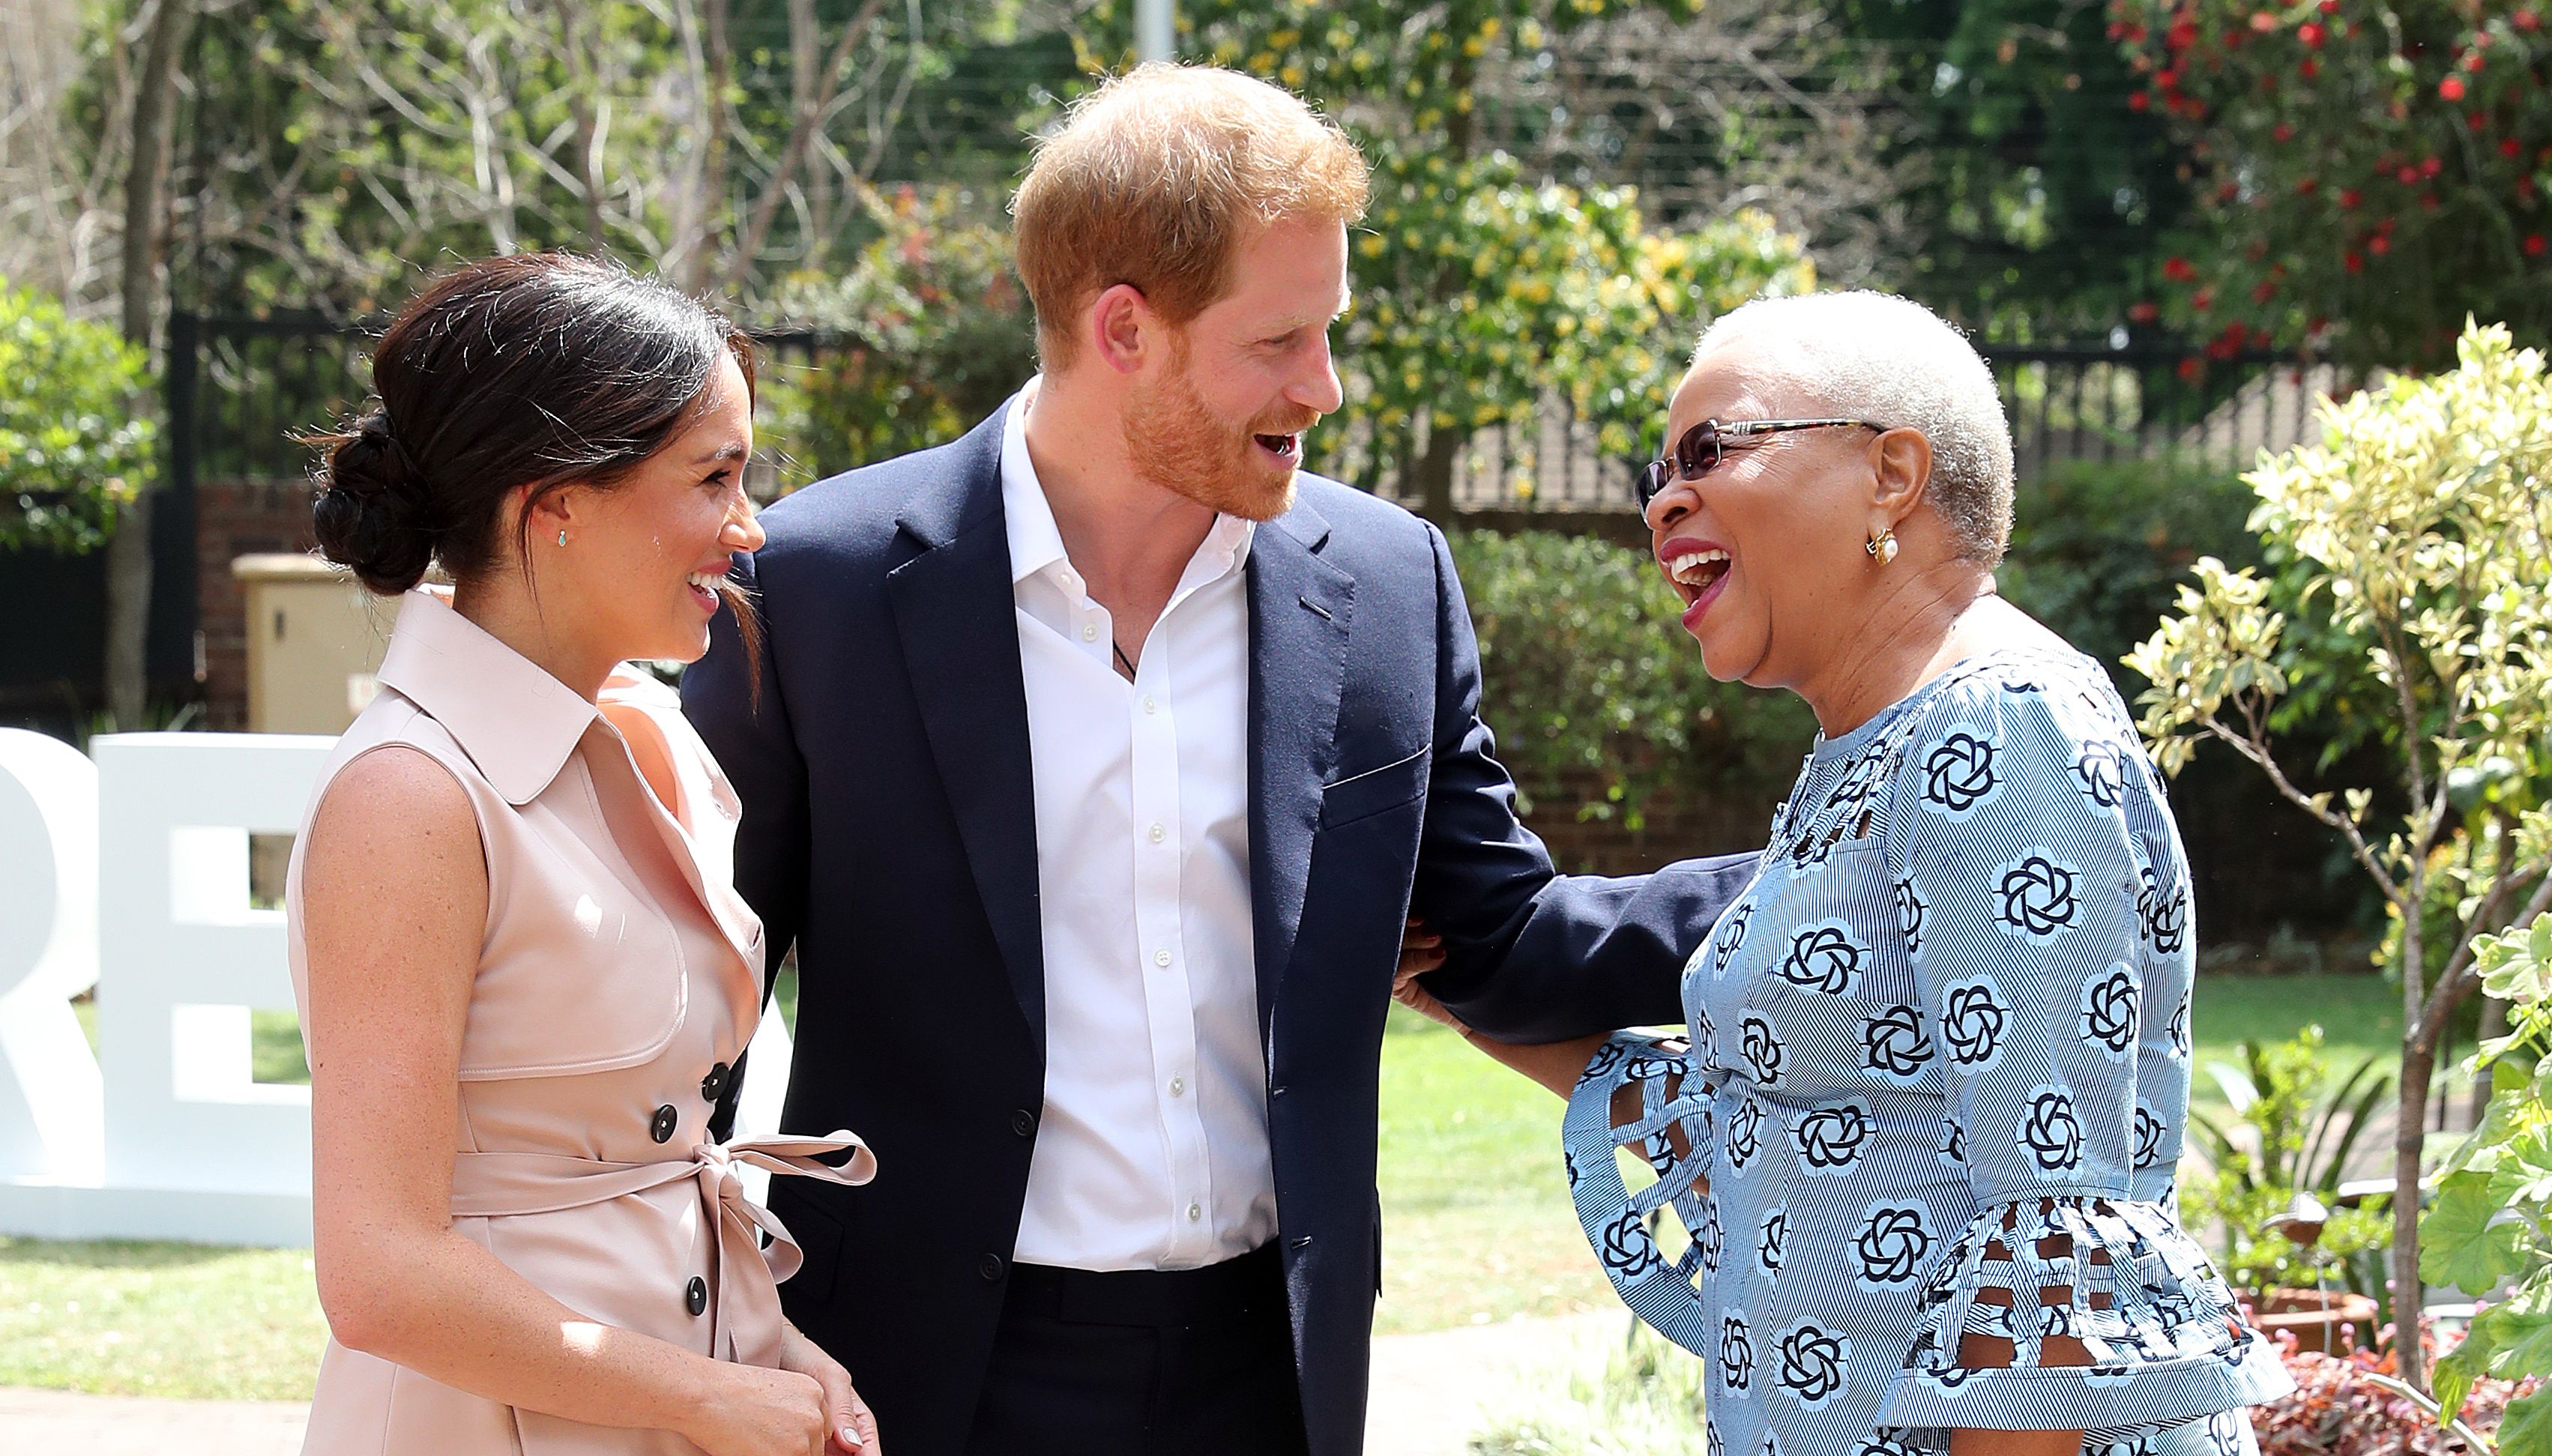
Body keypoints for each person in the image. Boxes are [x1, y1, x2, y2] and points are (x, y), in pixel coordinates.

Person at [678, 63, 1757, 1456]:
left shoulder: (1384, 581)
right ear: (1122, 326)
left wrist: (1846, 868)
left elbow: (1498, 937)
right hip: (910, 1368)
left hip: (1275, 1370)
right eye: (1281, 341)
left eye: (1330, 333)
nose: (1327, 386)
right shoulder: (814, 589)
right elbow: (695, 999)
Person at [1393, 291, 2294, 1456]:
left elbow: (2048, 1265)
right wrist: (1438, 985)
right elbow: (1782, 1132)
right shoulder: (1874, 745)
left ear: (1891, 474)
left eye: (1712, 450)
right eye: (1654, 473)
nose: (1664, 500)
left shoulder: (1997, 727)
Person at [286, 253, 884, 1456]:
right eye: (714, 477)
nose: (750, 526)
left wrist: (780, 1362)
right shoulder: (408, 798)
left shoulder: (654, 732)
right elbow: (381, 1274)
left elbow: (645, 1169)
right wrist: (707, 1399)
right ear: (552, 501)